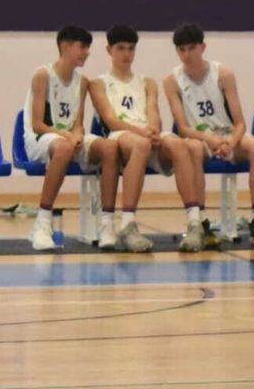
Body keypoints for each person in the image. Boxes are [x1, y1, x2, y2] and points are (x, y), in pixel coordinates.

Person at [87, 25, 205, 253]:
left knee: (178, 144)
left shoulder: (147, 82)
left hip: (147, 136)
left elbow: (154, 114)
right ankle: (128, 225)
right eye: (120, 48)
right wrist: (144, 133)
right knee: (141, 144)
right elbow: (111, 120)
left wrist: (153, 129)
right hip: (122, 137)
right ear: (109, 50)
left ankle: (194, 222)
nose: (126, 54)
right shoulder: (99, 83)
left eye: (131, 49)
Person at [165, 22, 254, 248]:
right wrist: (211, 139)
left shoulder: (223, 74)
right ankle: (202, 221)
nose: (187, 55)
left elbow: (240, 123)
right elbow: (183, 127)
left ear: (203, 47)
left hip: (228, 136)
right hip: (199, 138)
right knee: (193, 149)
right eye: (181, 50)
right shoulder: (172, 81)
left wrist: (230, 141)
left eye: (191, 48)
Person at [22, 26, 116, 252]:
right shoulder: (43, 75)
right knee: (64, 148)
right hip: (40, 139)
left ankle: (107, 224)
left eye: (88, 48)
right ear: (65, 46)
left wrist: (78, 136)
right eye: (82, 47)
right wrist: (67, 136)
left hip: (66, 139)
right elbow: (37, 124)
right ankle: (43, 222)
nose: (86, 52)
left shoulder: (82, 82)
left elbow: (78, 123)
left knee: (109, 147)